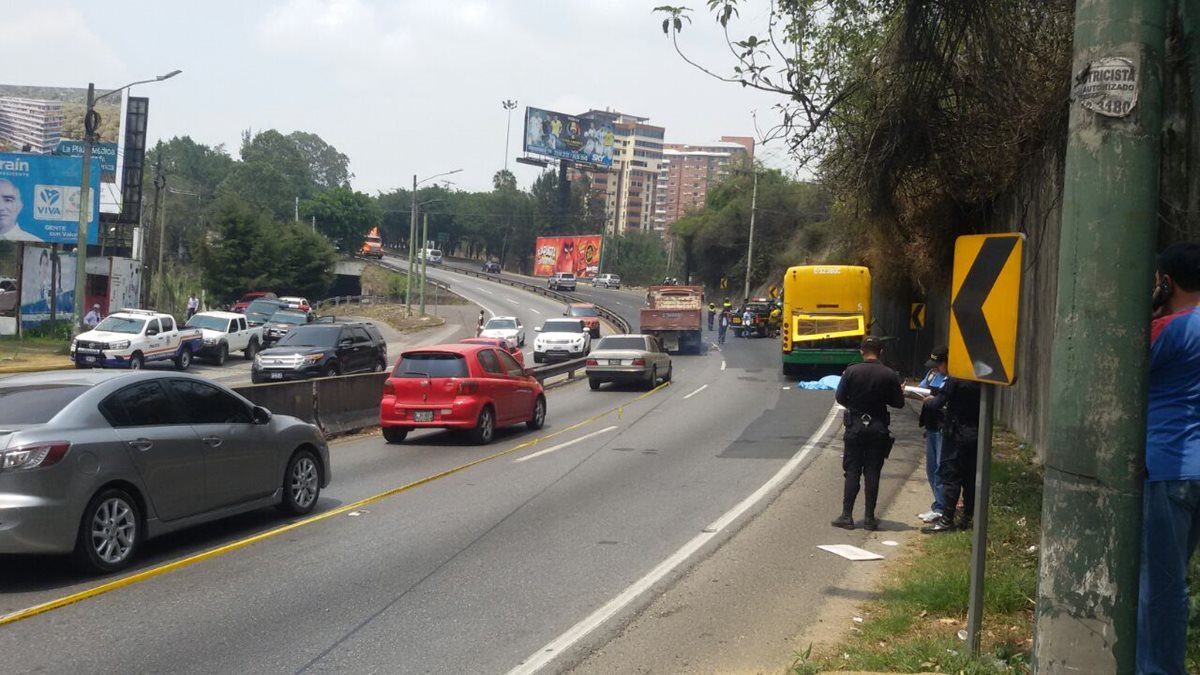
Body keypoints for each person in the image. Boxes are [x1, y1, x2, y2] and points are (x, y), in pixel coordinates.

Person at [1137, 242, 1200, 675]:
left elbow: (1121, 361)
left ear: (1166, 281)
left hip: (1167, 470)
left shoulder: (1168, 331)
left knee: (1162, 588)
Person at [833, 336, 905, 530]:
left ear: (862, 351)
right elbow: (899, 402)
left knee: (852, 471)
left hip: (855, 426)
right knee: (873, 472)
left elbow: (840, 397)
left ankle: (847, 516)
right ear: (880, 352)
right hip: (878, 428)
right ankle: (870, 518)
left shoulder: (851, 372)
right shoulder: (888, 374)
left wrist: (855, 407)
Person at [922, 374, 981, 533]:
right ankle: (968, 517)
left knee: (951, 477)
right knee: (970, 478)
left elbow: (937, 403)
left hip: (957, 433)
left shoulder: (955, 379)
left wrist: (929, 402)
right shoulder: (983, 378)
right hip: (976, 433)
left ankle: (947, 519)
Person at [916, 347, 950, 523]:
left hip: (944, 426)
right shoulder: (931, 375)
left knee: (940, 468)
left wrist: (935, 402)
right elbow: (921, 391)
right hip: (931, 426)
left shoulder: (952, 379)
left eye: (939, 364)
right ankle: (938, 504)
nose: (936, 368)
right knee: (931, 469)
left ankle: (943, 507)